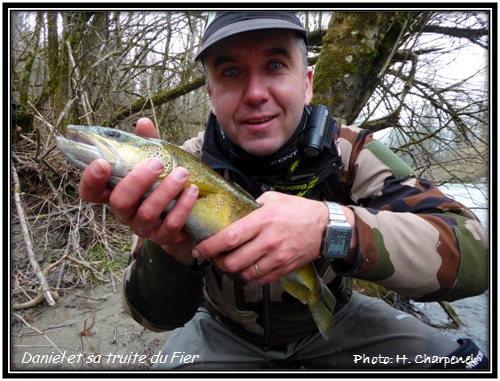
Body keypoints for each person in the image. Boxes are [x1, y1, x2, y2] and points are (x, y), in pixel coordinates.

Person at [78, 11, 489, 370]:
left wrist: (332, 227)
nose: (256, 94)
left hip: (340, 322)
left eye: (275, 65)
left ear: (307, 82)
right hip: (223, 331)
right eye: (231, 72)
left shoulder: (352, 153)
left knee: (463, 365)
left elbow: (475, 256)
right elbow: (152, 317)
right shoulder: (177, 169)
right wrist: (169, 251)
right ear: (211, 94)